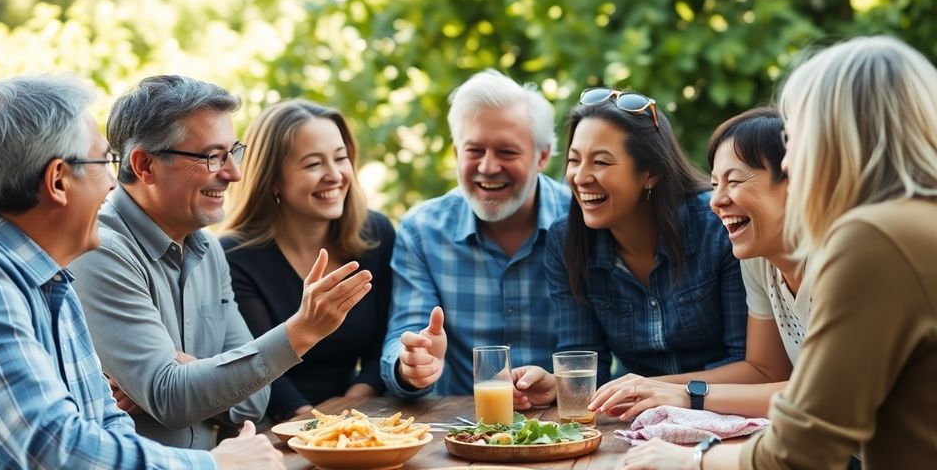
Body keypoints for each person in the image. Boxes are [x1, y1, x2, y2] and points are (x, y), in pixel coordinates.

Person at [0, 75, 283, 468]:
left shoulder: (49, 278)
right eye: (104, 161)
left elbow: (106, 425)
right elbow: (57, 449)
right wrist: (216, 465)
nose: (114, 183)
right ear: (58, 181)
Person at [617, 36, 937, 470]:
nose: (789, 161)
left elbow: (804, 447)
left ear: (838, 136)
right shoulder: (914, 224)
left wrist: (693, 459)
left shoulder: (875, 240)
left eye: (799, 135)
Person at [68, 75, 372, 449]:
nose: (234, 173)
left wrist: (190, 374)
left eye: (233, 152)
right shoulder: (100, 250)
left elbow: (254, 402)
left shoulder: (209, 253)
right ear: (145, 165)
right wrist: (300, 331)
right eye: (213, 156)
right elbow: (172, 399)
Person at [520, 88, 746, 403]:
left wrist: (656, 388)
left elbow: (749, 364)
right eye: (574, 160)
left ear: (650, 173)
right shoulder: (566, 240)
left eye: (600, 162)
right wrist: (559, 385)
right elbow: (586, 364)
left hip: (730, 411)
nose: (580, 177)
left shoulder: (717, 227)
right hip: (640, 417)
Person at [590, 108, 804, 420]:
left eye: (734, 180)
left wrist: (689, 395)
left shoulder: (842, 259)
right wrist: (646, 388)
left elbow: (828, 396)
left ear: (792, 180)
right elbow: (764, 369)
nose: (716, 201)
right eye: (715, 183)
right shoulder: (758, 258)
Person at [380, 69, 571, 404]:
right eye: (474, 150)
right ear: (456, 152)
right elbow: (404, 335)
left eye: (507, 152)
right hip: (458, 430)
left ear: (542, 156)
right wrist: (413, 365)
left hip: (568, 424)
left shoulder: (580, 222)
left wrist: (562, 383)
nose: (487, 167)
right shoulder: (422, 230)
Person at [219, 99, 394, 421]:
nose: (335, 175)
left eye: (341, 158)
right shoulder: (233, 256)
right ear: (272, 179)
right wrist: (318, 426)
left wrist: (351, 410)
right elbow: (258, 368)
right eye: (313, 164)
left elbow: (383, 345)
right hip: (273, 425)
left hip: (361, 415)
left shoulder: (376, 234)